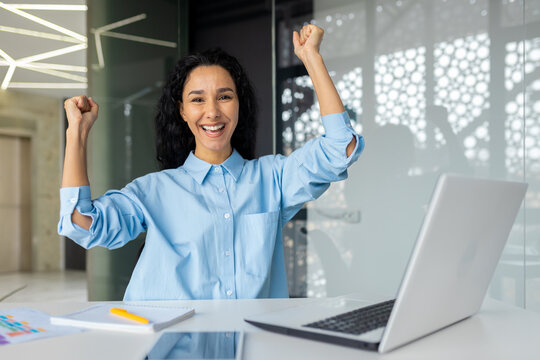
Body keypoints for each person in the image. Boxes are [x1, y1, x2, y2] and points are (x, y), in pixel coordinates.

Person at [58, 24, 364, 301]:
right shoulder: (154, 191)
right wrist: (77, 135)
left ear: (239, 104)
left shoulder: (274, 179)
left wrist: (311, 57)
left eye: (225, 96)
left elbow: (342, 147)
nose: (212, 112)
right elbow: (82, 224)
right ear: (182, 111)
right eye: (197, 99)